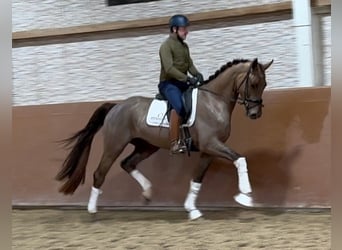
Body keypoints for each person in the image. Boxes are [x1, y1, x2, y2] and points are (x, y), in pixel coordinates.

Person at [158, 14, 204, 154]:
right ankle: (174, 143)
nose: (186, 32)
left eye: (186, 29)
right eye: (184, 29)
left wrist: (197, 74)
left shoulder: (184, 46)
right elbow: (169, 69)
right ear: (174, 29)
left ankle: (192, 137)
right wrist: (187, 79)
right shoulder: (165, 46)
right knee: (178, 106)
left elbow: (189, 64)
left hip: (182, 82)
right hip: (169, 84)